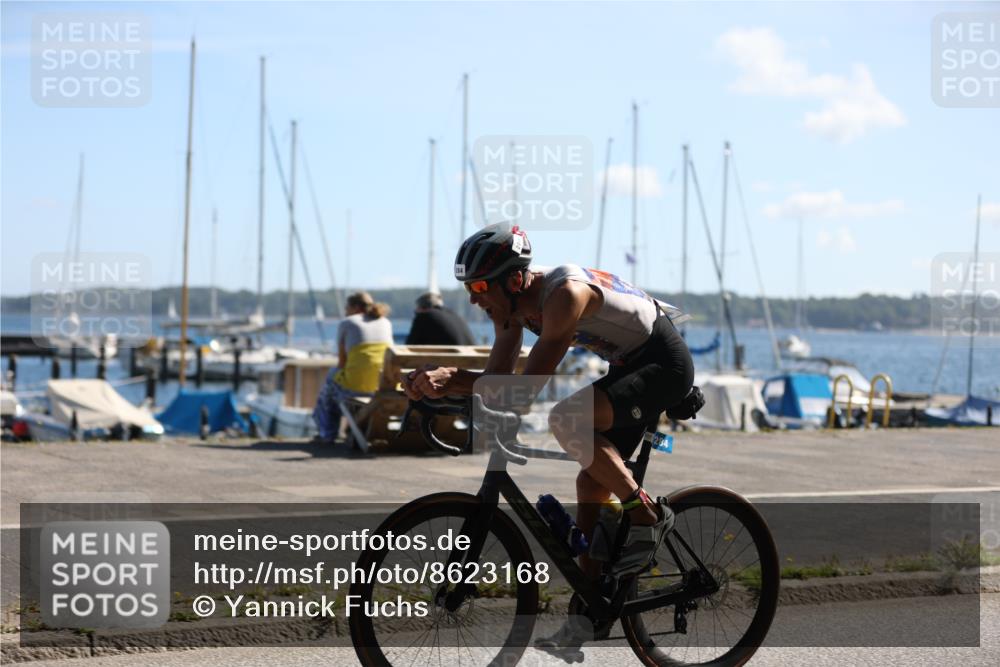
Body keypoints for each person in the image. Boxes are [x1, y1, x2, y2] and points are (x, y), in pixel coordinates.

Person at [403, 223, 695, 659]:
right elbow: (499, 383)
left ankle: (647, 515)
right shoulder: (508, 310)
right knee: (589, 486)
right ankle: (586, 615)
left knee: (566, 419)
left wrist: (455, 380)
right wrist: (444, 385)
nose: (473, 297)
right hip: (627, 366)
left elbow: (525, 390)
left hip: (663, 363)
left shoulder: (564, 295)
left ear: (515, 279)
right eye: (468, 287)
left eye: (481, 285)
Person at [313, 292, 393, 442]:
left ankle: (327, 433)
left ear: (355, 307)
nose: (345, 311)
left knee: (330, 381)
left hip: (356, 387)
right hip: (380, 386)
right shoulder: (385, 322)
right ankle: (353, 426)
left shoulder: (348, 323)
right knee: (333, 384)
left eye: (346, 307)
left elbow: (342, 363)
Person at [405, 292, 476, 345]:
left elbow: (410, 345)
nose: (416, 314)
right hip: (473, 362)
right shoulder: (455, 315)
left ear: (422, 308)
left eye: (416, 312)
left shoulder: (424, 316)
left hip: (452, 362)